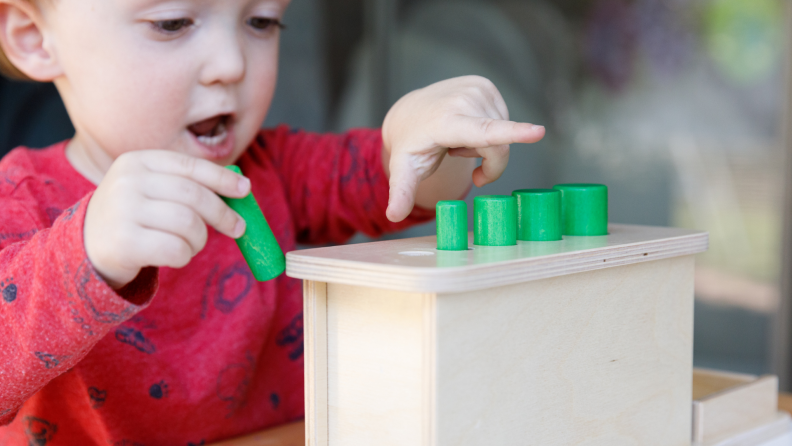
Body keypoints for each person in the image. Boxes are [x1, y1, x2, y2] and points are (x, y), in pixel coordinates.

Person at [0, 0, 546, 444]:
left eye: (260, 21)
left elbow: (397, 186)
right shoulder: (19, 198)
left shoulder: (274, 168)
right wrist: (86, 253)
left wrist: (428, 138)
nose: (231, 64)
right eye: (172, 23)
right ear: (34, 37)